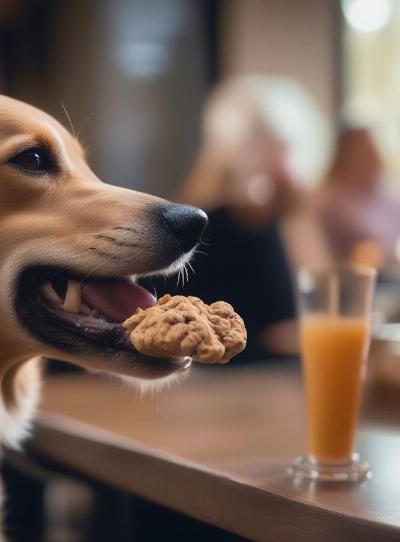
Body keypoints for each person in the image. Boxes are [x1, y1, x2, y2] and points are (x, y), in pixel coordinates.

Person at [147, 76, 331, 362]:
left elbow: (318, 301)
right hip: (224, 381)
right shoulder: (211, 230)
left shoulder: (277, 224)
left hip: (270, 379)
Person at [317, 127, 400, 268]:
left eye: (376, 151)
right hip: (349, 278)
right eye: (368, 153)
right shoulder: (327, 201)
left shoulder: (389, 197)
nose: (377, 158)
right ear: (348, 157)